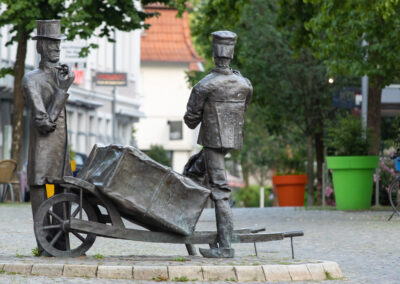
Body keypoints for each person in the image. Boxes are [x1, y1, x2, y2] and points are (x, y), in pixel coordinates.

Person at [184, 31, 252, 258]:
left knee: (220, 191)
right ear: (231, 53)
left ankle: (225, 246)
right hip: (231, 141)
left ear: (214, 53)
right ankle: (183, 222)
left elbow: (191, 120)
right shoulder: (245, 84)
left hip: (213, 143)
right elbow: (244, 110)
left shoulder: (205, 86)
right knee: (194, 171)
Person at [22, 20, 74, 255]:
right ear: (40, 46)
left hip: (62, 153)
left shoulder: (60, 76)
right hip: (43, 152)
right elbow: (44, 124)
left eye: (58, 43)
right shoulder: (31, 80)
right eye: (51, 43)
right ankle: (45, 247)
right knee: (41, 197)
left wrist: (62, 85)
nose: (57, 48)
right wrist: (62, 91)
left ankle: (61, 247)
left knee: (64, 196)